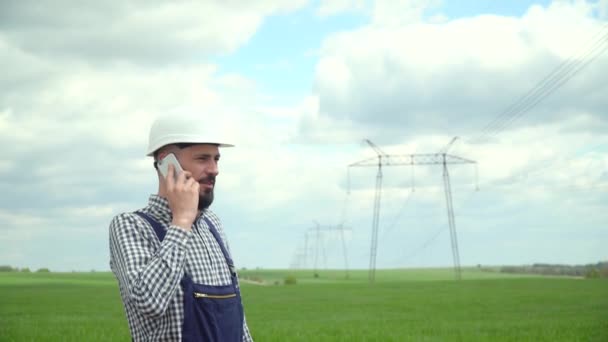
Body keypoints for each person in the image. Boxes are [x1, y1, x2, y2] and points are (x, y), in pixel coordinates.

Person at [109, 115, 253, 341]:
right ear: (167, 163)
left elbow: (238, 322)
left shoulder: (212, 224)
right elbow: (148, 302)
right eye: (202, 158)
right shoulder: (131, 226)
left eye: (216, 159)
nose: (214, 169)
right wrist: (182, 221)